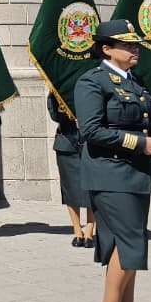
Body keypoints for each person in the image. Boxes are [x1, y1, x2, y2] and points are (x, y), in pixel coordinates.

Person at [76, 20, 151, 302]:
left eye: (136, 45)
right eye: (128, 45)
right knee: (130, 242)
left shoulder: (135, 82)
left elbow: (148, 121)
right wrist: (141, 143)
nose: (135, 50)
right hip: (109, 172)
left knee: (129, 244)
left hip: (135, 172)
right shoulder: (92, 82)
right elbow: (91, 130)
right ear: (106, 48)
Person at [49, 94, 94, 248]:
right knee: (71, 189)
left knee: (91, 188)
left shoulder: (92, 85)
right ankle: (77, 231)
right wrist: (67, 116)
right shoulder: (58, 88)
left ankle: (89, 231)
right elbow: (53, 113)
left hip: (90, 143)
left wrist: (88, 120)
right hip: (66, 142)